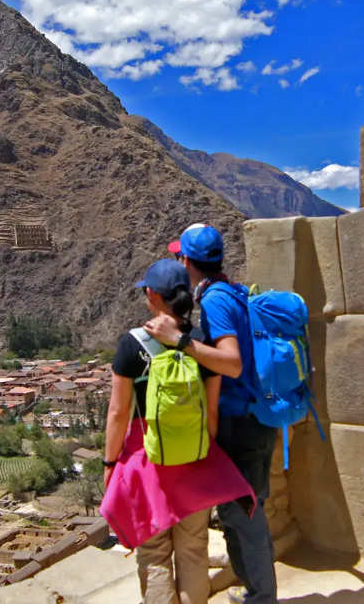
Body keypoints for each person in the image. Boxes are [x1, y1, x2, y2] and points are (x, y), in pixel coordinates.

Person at [101, 258, 255, 604]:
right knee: (193, 550)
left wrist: (110, 464)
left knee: (154, 552)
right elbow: (211, 410)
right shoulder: (201, 343)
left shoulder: (132, 344)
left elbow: (118, 412)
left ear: (152, 295)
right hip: (195, 458)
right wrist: (205, 455)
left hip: (148, 461)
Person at [145, 224, 279, 604]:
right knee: (244, 513)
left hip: (241, 424)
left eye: (178, 257)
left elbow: (232, 364)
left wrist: (180, 342)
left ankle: (262, 599)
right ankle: (255, 591)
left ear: (186, 261)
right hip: (255, 419)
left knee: (243, 516)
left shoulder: (217, 300)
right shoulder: (231, 291)